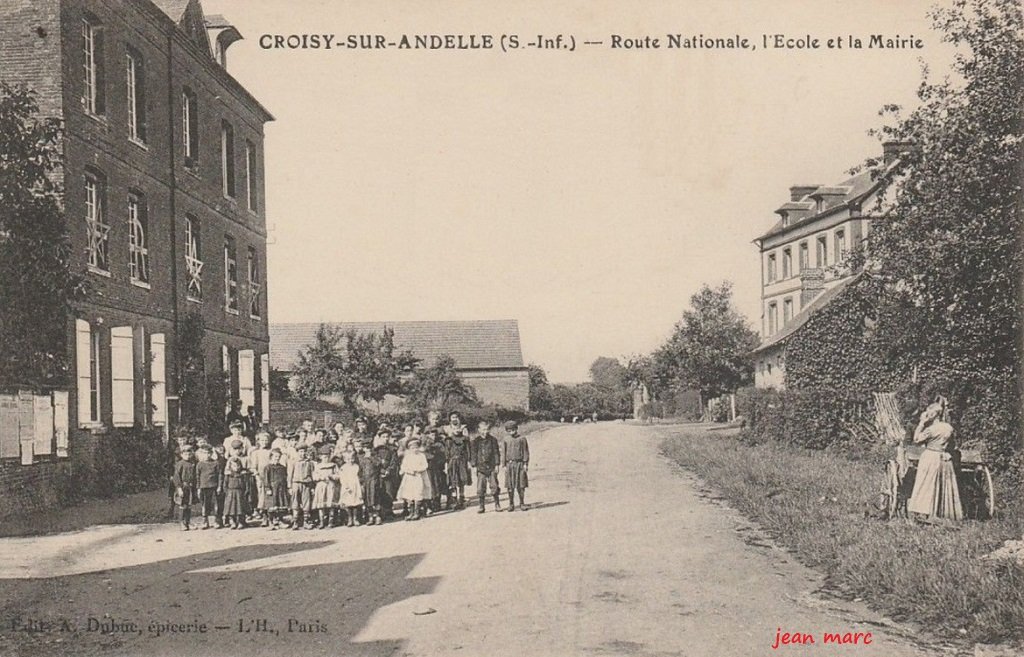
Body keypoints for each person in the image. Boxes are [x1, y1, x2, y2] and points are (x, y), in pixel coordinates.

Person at [907, 398, 963, 521]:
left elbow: (916, 439)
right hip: (943, 456)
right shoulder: (948, 428)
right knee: (941, 484)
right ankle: (940, 511)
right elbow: (953, 444)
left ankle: (922, 511)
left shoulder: (931, 430)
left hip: (930, 457)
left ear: (932, 415)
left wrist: (921, 423)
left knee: (925, 484)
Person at [471, 420, 502, 513]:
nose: (485, 432)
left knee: (494, 486)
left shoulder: (493, 440)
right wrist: (474, 466)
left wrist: (497, 464)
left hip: (491, 466)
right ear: (479, 430)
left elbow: (496, 453)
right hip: (481, 467)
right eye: (483, 429)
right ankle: (481, 506)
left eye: (487, 429)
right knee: (481, 487)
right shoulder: (475, 441)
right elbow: (473, 454)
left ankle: (497, 504)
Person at [397, 438, 431, 521]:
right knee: (409, 494)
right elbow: (403, 466)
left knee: (418, 493)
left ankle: (417, 512)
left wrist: (418, 470)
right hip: (409, 477)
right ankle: (411, 512)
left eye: (416, 447)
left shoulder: (421, 456)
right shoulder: (407, 457)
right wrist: (409, 471)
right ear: (409, 449)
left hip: (419, 477)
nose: (414, 449)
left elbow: (425, 465)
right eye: (412, 448)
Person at [444, 415, 473, 509]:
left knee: (461, 480)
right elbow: (447, 452)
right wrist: (447, 462)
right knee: (453, 480)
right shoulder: (449, 440)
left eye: (458, 428)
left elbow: (468, 450)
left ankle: (461, 498)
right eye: (455, 429)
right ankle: (454, 499)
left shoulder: (464, 440)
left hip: (462, 461)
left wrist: (468, 461)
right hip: (452, 462)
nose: (457, 430)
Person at [501, 421, 530, 511]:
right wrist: (504, 465)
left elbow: (525, 451)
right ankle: (511, 504)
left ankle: (522, 503)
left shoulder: (522, 439)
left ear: (516, 429)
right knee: (510, 485)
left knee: (521, 485)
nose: (511, 432)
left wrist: (525, 463)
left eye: (513, 430)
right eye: (509, 430)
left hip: (520, 464)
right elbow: (503, 453)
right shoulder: (506, 439)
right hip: (509, 464)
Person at [196, 444, 223, 529]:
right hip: (204, 487)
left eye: (208, 453)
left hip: (214, 486)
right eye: (204, 453)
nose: (206, 455)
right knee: (205, 504)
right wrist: (198, 488)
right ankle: (205, 521)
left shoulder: (215, 463)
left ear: (211, 453)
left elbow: (220, 475)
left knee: (216, 504)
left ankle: (217, 521)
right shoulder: (199, 464)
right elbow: (197, 477)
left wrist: (219, 486)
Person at [172, 444, 199, 530]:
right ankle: (182, 522)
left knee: (189, 505)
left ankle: (188, 522)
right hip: (183, 487)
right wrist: (179, 488)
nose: (187, 456)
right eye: (185, 454)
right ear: (181, 455)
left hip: (190, 487)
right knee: (183, 505)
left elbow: (195, 476)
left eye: (189, 454)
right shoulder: (179, 464)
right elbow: (176, 477)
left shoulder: (192, 464)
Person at [288, 445, 315, 530]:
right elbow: (290, 474)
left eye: (304, 451)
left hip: (306, 484)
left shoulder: (309, 463)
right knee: (295, 502)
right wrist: (290, 486)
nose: (302, 453)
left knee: (306, 502)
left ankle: (306, 521)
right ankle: (295, 521)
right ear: (297, 452)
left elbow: (312, 474)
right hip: (296, 483)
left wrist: (312, 486)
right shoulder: (293, 462)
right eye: (300, 451)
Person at [262, 449, 290, 530]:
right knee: (272, 506)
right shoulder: (267, 468)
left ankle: (280, 521)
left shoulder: (282, 467)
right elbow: (266, 479)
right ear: (271, 457)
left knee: (280, 505)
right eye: (275, 456)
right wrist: (268, 488)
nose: (277, 458)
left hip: (281, 489)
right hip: (272, 489)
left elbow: (285, 478)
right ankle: (271, 522)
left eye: (278, 456)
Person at [312, 445, 339, 529]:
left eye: (327, 457)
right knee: (321, 505)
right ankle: (322, 522)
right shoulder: (317, 466)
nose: (326, 458)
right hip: (321, 486)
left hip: (330, 486)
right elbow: (314, 476)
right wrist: (321, 477)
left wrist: (332, 476)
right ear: (320, 457)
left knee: (330, 504)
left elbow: (338, 475)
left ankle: (331, 521)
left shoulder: (333, 465)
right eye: (324, 457)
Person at [249, 432, 273, 525]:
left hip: (270, 477)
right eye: (262, 440)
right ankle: (264, 517)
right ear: (258, 441)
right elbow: (253, 467)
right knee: (262, 497)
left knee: (270, 497)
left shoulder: (271, 451)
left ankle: (272, 517)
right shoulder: (255, 453)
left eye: (266, 440)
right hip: (261, 477)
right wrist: (257, 476)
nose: (264, 442)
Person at [338, 449, 364, 527]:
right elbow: (342, 478)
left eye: (352, 458)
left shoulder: (356, 466)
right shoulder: (343, 468)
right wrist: (346, 487)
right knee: (348, 503)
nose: (350, 460)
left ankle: (355, 518)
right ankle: (349, 518)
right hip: (347, 486)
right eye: (348, 459)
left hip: (355, 486)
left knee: (355, 502)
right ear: (345, 459)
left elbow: (359, 476)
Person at [222, 456, 250, 529]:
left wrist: (246, 491)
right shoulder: (228, 475)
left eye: (238, 465)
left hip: (240, 493)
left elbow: (246, 484)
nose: (236, 467)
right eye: (234, 466)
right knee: (231, 509)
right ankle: (233, 522)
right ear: (230, 466)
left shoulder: (243, 475)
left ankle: (240, 522)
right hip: (231, 493)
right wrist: (227, 492)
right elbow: (225, 484)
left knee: (240, 508)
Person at [360, 443, 382, 525]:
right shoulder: (362, 459)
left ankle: (378, 516)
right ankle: (370, 516)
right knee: (367, 498)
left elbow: (378, 464)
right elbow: (360, 471)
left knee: (375, 498)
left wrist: (371, 457)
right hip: (366, 481)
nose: (368, 450)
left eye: (369, 448)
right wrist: (361, 481)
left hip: (374, 480)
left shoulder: (375, 458)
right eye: (366, 448)